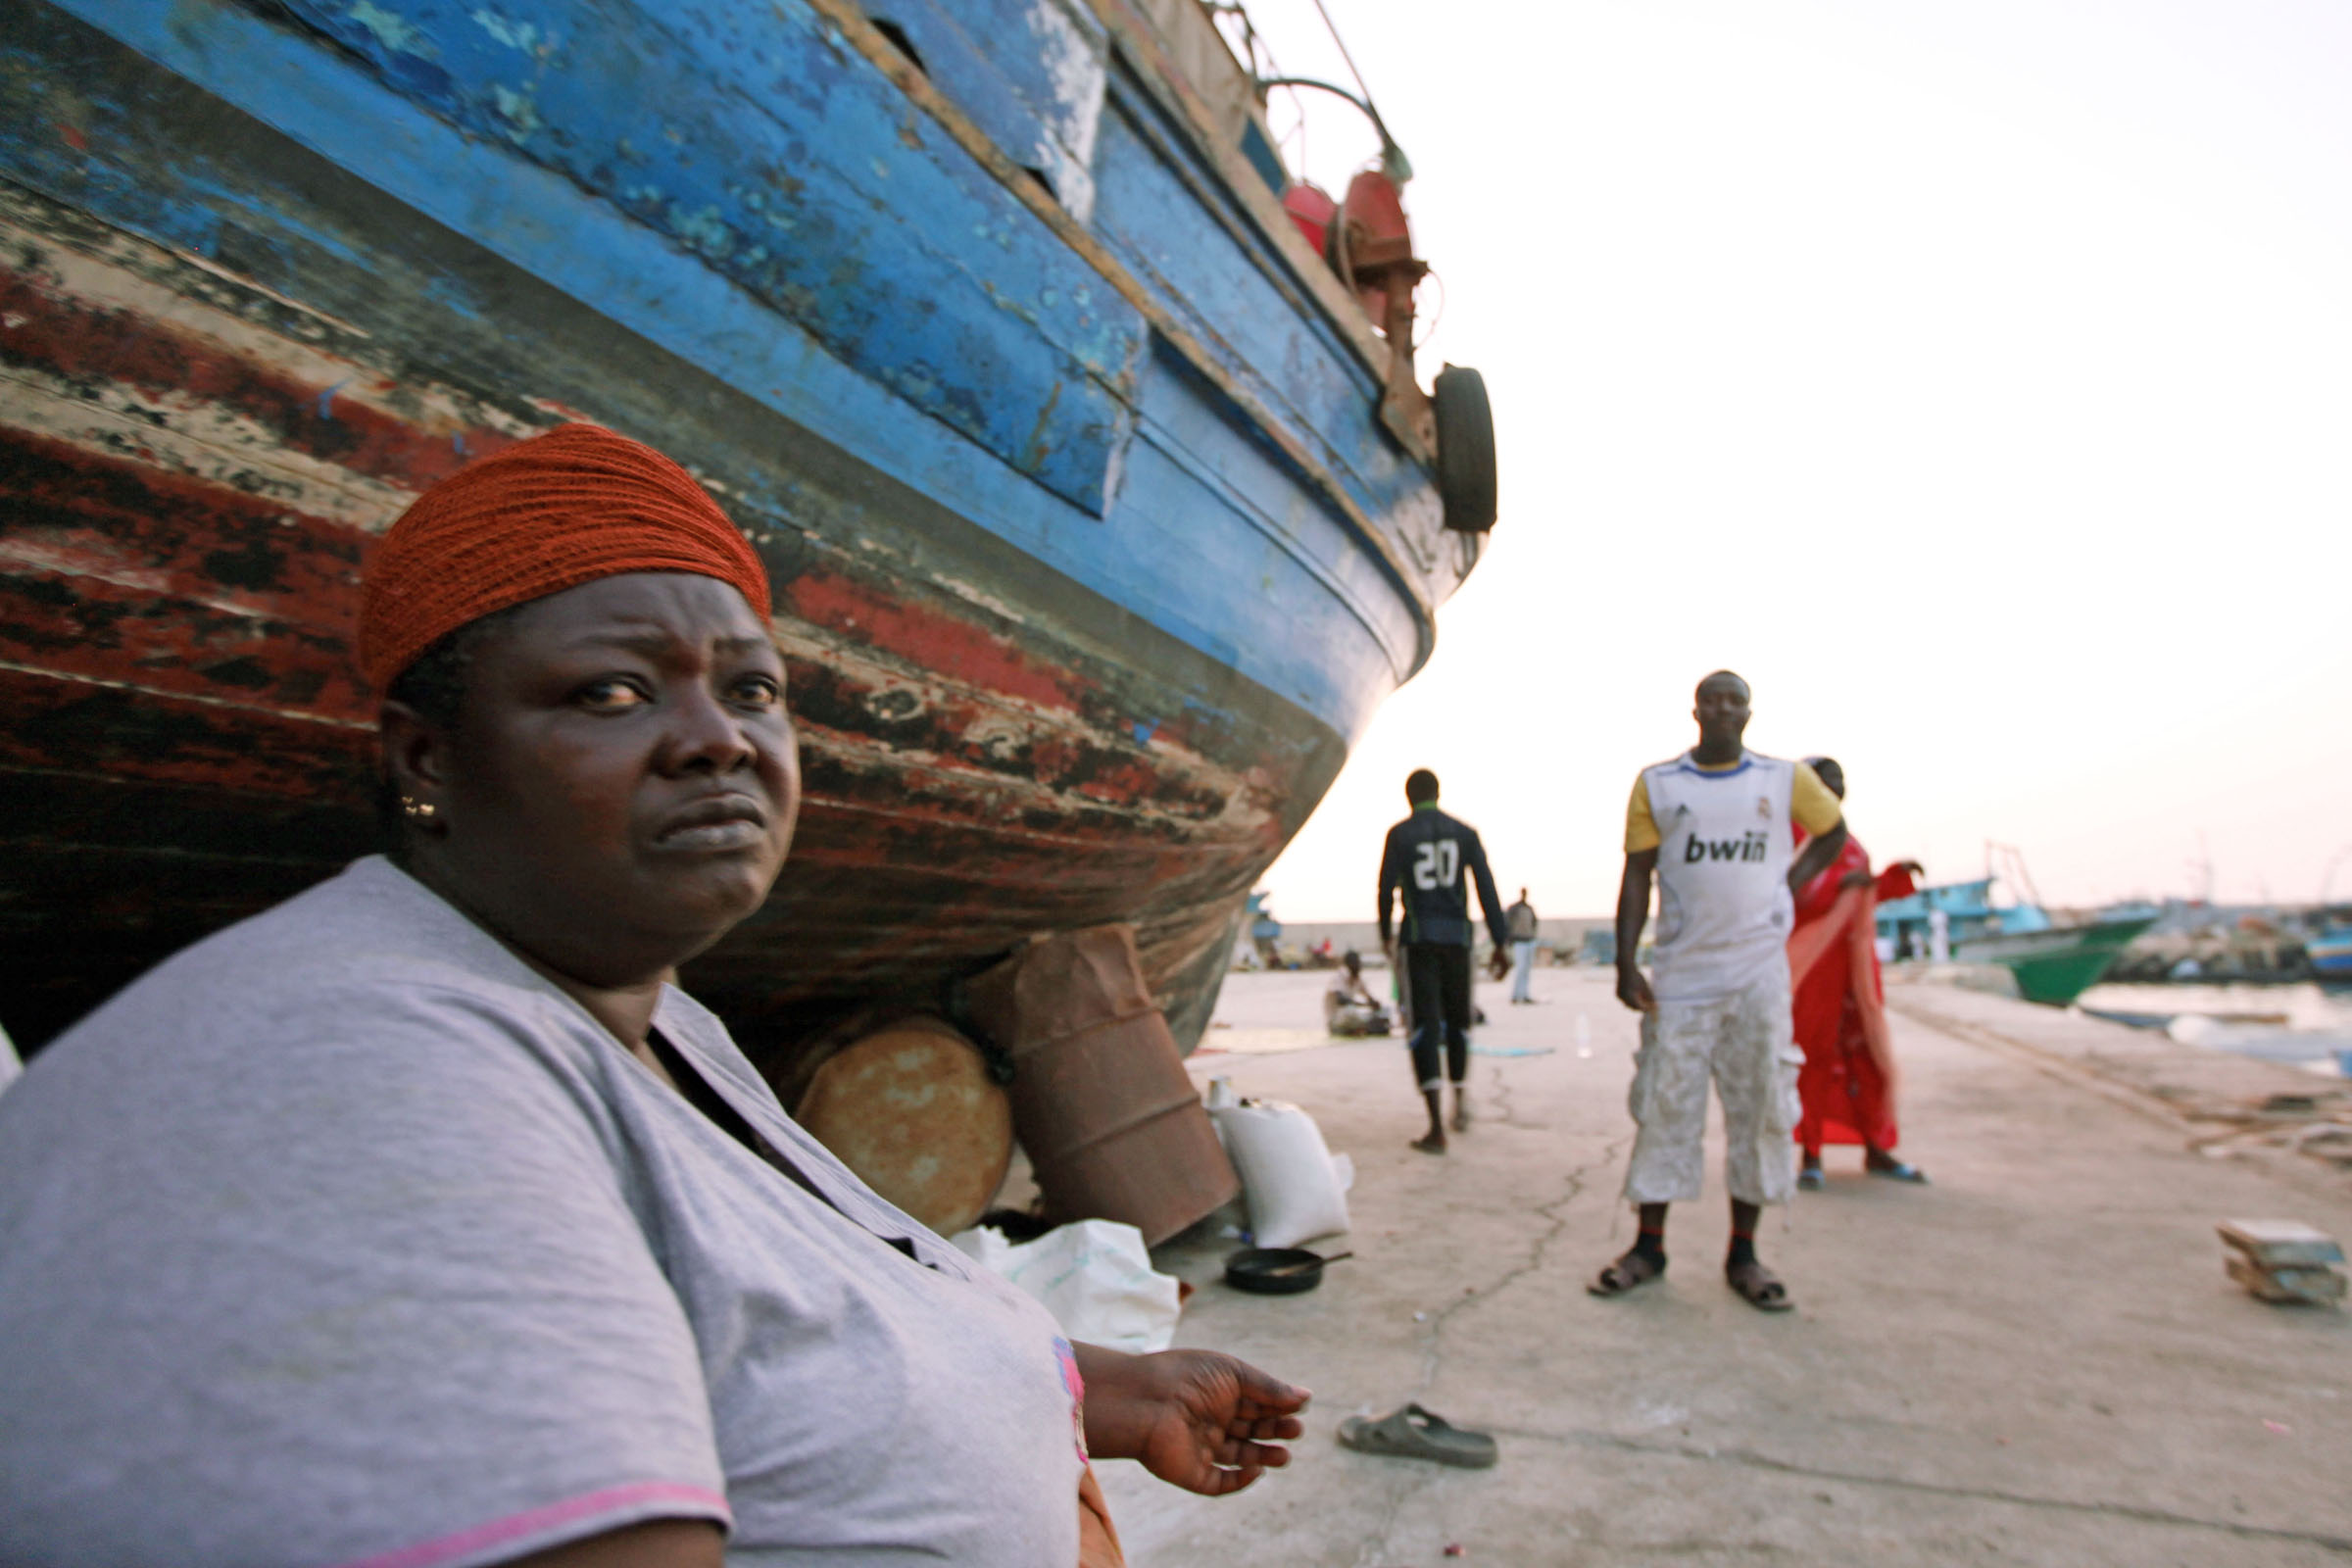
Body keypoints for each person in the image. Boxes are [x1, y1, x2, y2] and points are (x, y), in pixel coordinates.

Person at [0, 425, 1307, 1568]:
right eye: (613, 692)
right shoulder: (375, 1058)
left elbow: (771, 1331)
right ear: (425, 759)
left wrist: (1081, 1391)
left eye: (752, 690)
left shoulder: (648, 1010)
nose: (719, 738)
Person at [1590, 671, 1851, 1312]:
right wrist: (1626, 963)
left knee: (1761, 1106)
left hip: (1757, 975)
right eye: (1715, 699)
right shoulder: (1659, 784)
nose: (1725, 708)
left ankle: (1744, 1253)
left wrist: (1788, 883)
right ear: (1696, 710)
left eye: (1736, 699)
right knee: (1664, 1106)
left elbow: (1834, 832)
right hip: (1681, 979)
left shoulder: (1783, 779)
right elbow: (1636, 878)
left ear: (1749, 713)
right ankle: (1648, 1246)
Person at [1788, 757, 1927, 1190]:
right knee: (1811, 1057)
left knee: (1869, 1059)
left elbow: (1860, 899)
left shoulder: (1851, 845)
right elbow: (1787, 896)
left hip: (1855, 973)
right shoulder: (1791, 841)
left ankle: (1877, 1147)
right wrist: (1836, 888)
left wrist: (1891, 880)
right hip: (1813, 972)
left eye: (1838, 781)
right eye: (1823, 781)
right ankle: (1811, 1154)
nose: (1833, 788)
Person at [1378, 768, 1512, 1154]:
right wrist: (1500, 941)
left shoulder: (1399, 835)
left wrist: (1386, 933)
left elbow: (1385, 889)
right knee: (1459, 1021)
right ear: (1437, 794)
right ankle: (1461, 1097)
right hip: (1458, 939)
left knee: (1423, 1025)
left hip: (1419, 940)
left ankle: (1436, 1127)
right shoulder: (1465, 833)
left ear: (1409, 796)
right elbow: (1486, 887)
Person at [1323, 950, 1391, 1036]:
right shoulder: (1338, 977)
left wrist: (1375, 1004)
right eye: (1356, 963)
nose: (1359, 966)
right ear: (1349, 964)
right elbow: (1342, 1000)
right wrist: (1366, 1005)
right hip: (1335, 1019)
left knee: (1383, 1012)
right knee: (1350, 1011)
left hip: (1350, 1018)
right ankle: (1366, 1028)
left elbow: (1369, 997)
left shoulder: (1357, 978)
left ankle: (1364, 1028)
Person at [1505, 888, 1541, 1004]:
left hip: (1529, 941)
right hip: (1519, 942)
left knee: (1526, 970)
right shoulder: (1515, 908)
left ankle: (1525, 994)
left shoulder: (1529, 908)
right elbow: (1508, 923)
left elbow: (1534, 923)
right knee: (1520, 969)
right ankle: (1515, 995)